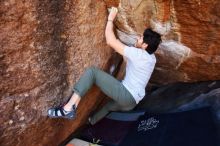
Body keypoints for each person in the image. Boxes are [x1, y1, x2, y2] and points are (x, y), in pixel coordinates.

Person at [47, 7, 161, 125]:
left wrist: (110, 19)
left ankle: (68, 108)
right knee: (108, 107)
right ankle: (91, 122)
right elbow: (128, 60)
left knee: (92, 73)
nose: (138, 37)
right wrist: (130, 48)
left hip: (126, 95)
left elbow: (110, 41)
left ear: (145, 45)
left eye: (141, 38)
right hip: (132, 103)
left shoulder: (139, 55)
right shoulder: (152, 58)